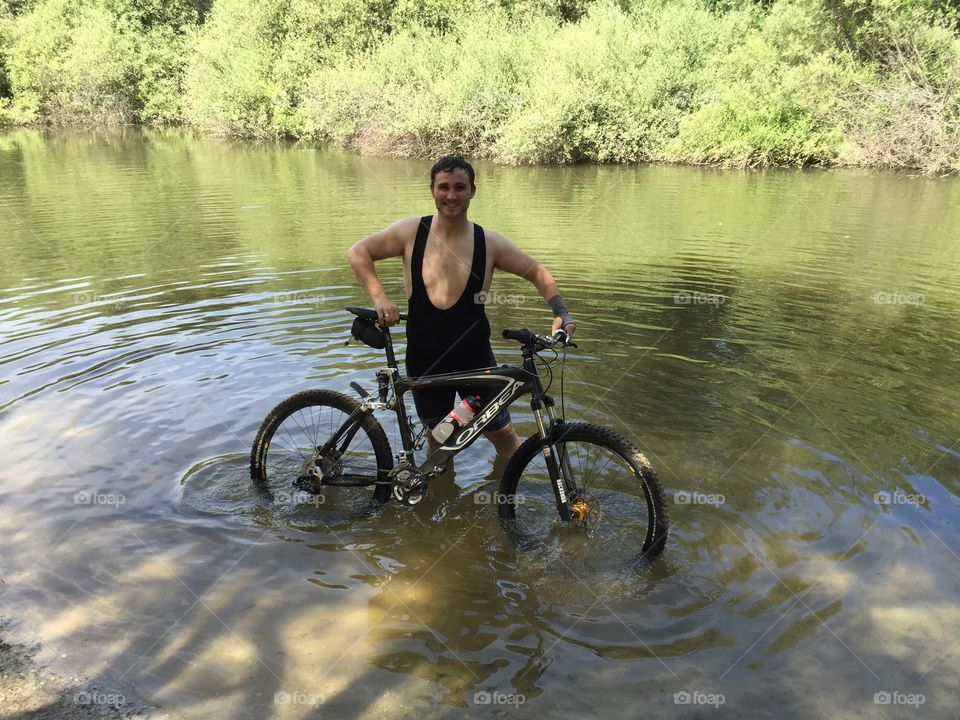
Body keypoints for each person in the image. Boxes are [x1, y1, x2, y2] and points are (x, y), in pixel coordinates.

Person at [346, 155, 576, 460]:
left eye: (459, 187)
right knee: (439, 441)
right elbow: (359, 252)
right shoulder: (411, 232)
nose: (451, 195)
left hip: (476, 360)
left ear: (472, 191)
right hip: (426, 359)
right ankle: (441, 500)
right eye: (444, 187)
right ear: (432, 190)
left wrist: (561, 311)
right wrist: (380, 297)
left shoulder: (489, 243)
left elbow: (536, 271)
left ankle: (510, 499)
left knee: (503, 435)